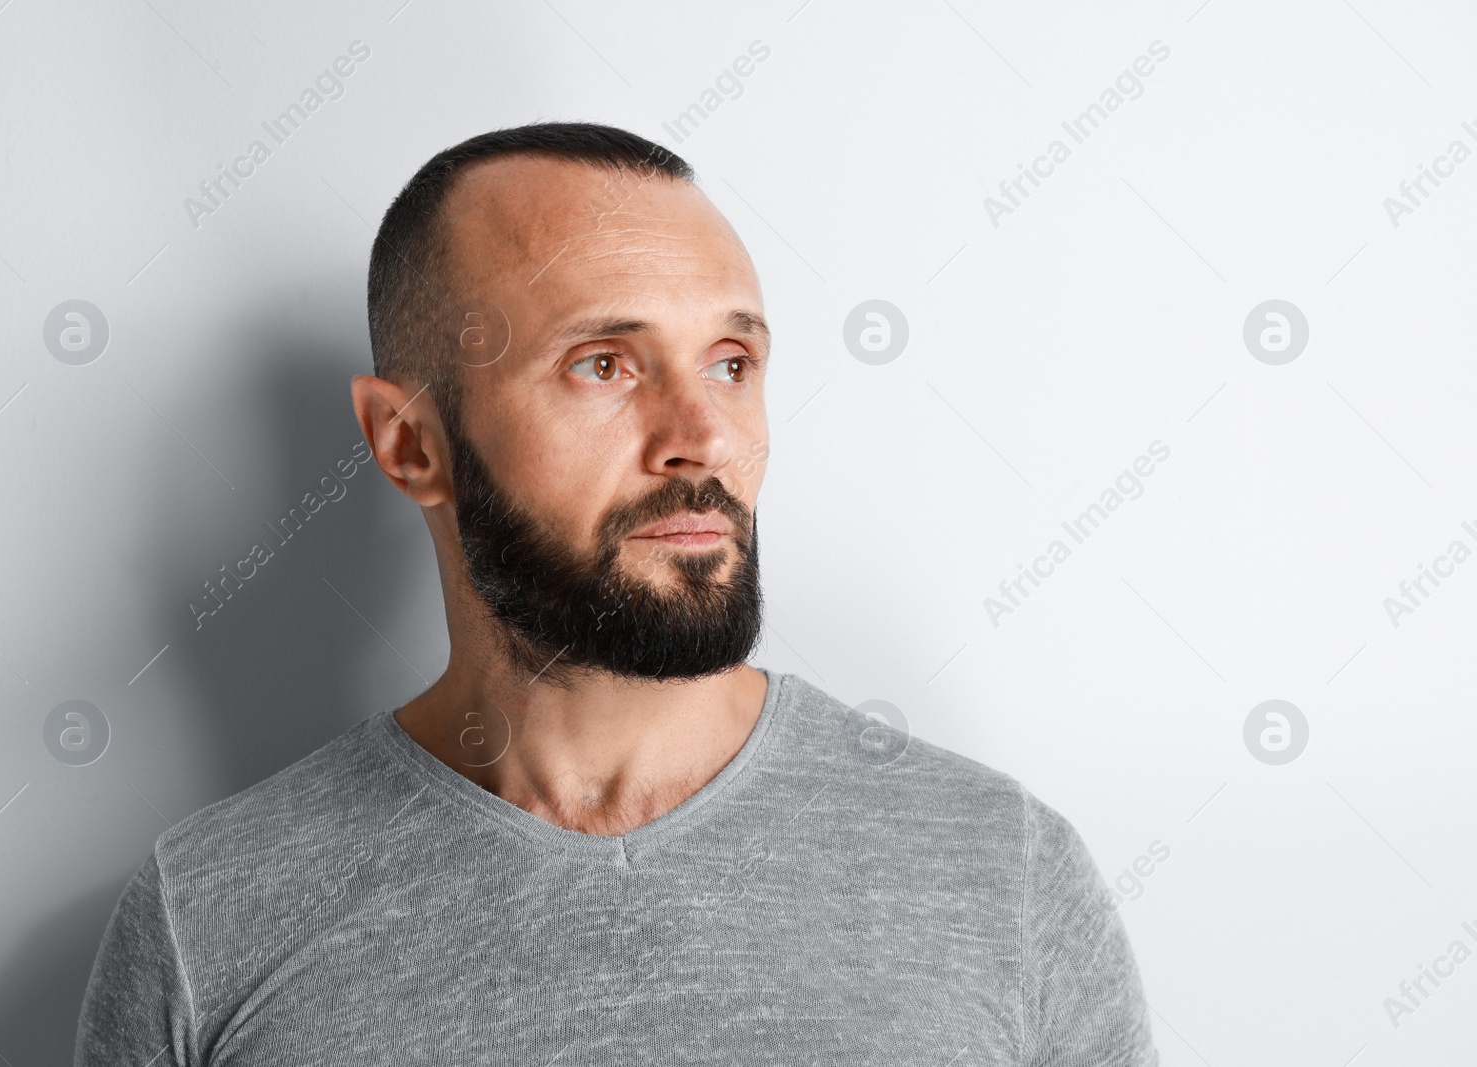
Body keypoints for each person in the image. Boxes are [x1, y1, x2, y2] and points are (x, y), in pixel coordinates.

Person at [75, 121, 1158, 1065]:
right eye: (605, 364)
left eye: (731, 361)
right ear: (409, 443)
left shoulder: (997, 874)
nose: (704, 438)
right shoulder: (207, 919)